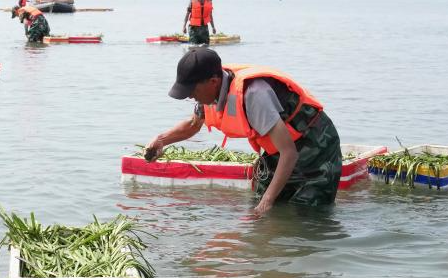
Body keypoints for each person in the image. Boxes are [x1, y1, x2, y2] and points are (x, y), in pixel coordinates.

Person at [145, 48, 342, 215]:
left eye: (192, 91)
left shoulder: (254, 95)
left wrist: (268, 200)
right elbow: (193, 124)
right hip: (280, 150)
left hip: (316, 147)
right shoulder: (209, 96)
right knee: (262, 209)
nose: (190, 97)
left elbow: (289, 153)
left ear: (213, 81)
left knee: (305, 215)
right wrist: (161, 140)